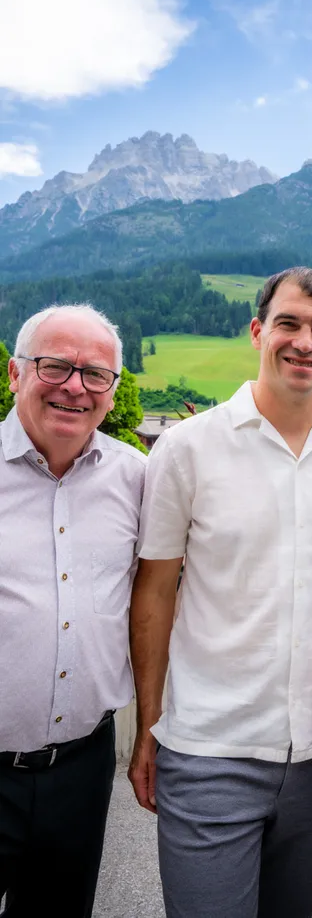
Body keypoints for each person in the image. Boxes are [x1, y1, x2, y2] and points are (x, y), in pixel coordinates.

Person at [128, 266, 312, 918]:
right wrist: (145, 726)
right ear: (257, 331)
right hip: (209, 748)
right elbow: (155, 593)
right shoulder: (187, 449)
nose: (305, 342)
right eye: (289, 324)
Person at [0, 305, 146, 918]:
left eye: (95, 374)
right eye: (55, 366)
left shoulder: (138, 478)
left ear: (113, 391)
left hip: (81, 770)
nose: (74, 387)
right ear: (15, 373)